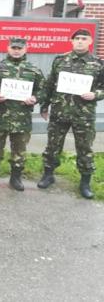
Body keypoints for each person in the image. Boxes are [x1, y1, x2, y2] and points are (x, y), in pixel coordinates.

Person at [38, 29, 104, 199]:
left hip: (84, 115)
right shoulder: (60, 60)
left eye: (84, 38)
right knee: (52, 146)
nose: (80, 41)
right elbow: (49, 84)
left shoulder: (98, 63)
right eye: (77, 39)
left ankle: (84, 183)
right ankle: (48, 175)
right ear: (72, 41)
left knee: (85, 148)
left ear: (90, 41)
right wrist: (44, 106)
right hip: (60, 112)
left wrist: (95, 95)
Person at [0, 38, 44, 191]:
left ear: (25, 49)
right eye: (13, 47)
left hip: (22, 118)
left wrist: (35, 98)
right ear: (8, 48)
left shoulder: (33, 69)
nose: (16, 50)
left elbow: (43, 89)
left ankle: (15, 178)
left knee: (19, 150)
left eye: (19, 48)